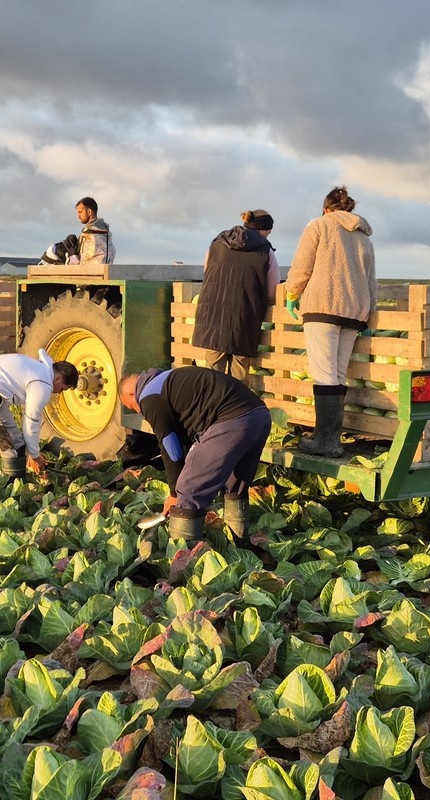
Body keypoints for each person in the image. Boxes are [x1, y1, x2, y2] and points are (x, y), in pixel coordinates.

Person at [119, 366, 271, 542]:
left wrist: (175, 494)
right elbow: (184, 441)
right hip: (259, 416)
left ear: (132, 393)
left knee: (188, 491)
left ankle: (184, 562)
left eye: (132, 407)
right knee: (235, 483)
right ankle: (237, 545)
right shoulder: (169, 380)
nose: (139, 412)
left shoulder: (148, 396)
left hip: (231, 421)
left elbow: (170, 448)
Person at [284, 185, 377, 457]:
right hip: (355, 312)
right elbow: (371, 279)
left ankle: (325, 440)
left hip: (323, 307)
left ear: (326, 209)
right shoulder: (364, 238)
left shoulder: (319, 225)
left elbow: (302, 266)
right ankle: (330, 438)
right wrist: (369, 309)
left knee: (324, 373)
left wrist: (292, 292)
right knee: (337, 374)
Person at [0, 351, 78, 478]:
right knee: (14, 446)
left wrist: (33, 452)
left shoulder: (38, 368)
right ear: (58, 378)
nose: (59, 393)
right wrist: (35, 455)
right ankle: (12, 491)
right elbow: (31, 421)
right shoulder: (43, 384)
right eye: (63, 388)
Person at [191, 209, 277, 382]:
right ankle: (236, 407)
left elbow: (208, 270)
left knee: (213, 372)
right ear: (262, 230)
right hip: (244, 317)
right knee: (239, 374)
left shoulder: (218, 243)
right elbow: (272, 290)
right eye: (268, 232)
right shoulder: (266, 251)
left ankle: (213, 406)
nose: (267, 237)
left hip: (214, 314)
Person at [75, 196, 116, 264]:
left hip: (91, 272)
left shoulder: (89, 233)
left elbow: (83, 260)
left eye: (80, 212)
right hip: (107, 272)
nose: (78, 216)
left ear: (89, 212)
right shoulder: (106, 233)